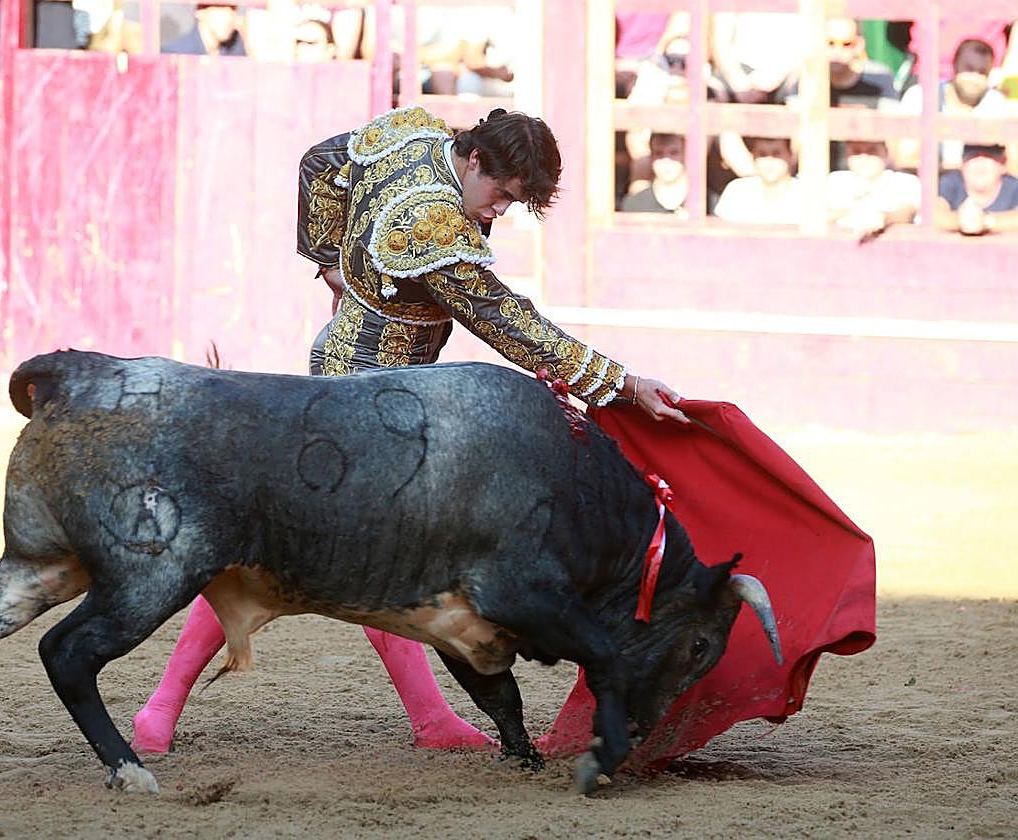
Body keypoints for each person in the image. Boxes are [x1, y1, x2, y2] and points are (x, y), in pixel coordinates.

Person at [131, 105, 690, 757]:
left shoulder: (412, 134)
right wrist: (618, 382)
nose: (500, 212)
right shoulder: (430, 224)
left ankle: (171, 710)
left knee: (322, 555)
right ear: (474, 159)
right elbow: (504, 320)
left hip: (366, 375)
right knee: (353, 560)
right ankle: (170, 706)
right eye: (501, 194)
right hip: (367, 401)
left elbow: (320, 163)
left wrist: (329, 259)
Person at [897, 38, 1016, 171]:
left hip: (978, 187)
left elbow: (1013, 162)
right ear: (954, 65)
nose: (974, 79)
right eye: (969, 69)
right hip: (928, 181)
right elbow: (904, 157)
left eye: (982, 72)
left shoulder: (996, 103)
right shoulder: (921, 96)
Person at [827, 139, 919, 236]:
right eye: (856, 151)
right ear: (847, 155)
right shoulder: (835, 181)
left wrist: (882, 219)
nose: (864, 159)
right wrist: (854, 210)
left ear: (885, 154)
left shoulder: (904, 181)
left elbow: (906, 213)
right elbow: (818, 216)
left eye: (872, 151)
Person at [621, 132, 716, 217]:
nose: (666, 161)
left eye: (674, 153)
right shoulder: (633, 206)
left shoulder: (710, 204)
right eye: (659, 154)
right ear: (651, 157)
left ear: (686, 155)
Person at [713, 135, 803, 225]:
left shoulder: (805, 193)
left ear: (791, 156)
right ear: (753, 157)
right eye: (762, 154)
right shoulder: (737, 190)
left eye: (776, 154)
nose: (769, 161)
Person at [934, 143, 1018, 235]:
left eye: (989, 156)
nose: (980, 163)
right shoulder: (950, 182)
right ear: (962, 163)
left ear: (1003, 165)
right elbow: (935, 213)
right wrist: (960, 221)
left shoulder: (1014, 186)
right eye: (973, 156)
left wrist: (986, 222)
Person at [161, 2, 246, 57]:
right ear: (200, 12)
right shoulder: (176, 54)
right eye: (221, 8)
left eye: (233, 10)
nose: (229, 17)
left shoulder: (236, 49)